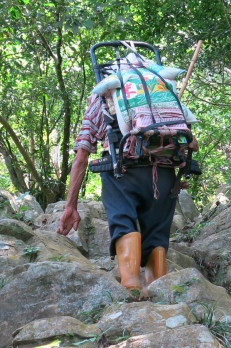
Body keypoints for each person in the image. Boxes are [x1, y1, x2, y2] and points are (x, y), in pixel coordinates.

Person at [58, 59, 186, 294]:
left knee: (124, 223)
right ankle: (159, 291)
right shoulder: (162, 91)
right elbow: (188, 139)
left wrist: (71, 205)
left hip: (122, 173)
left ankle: (131, 287)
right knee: (157, 235)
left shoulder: (103, 98)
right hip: (165, 173)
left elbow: (82, 156)